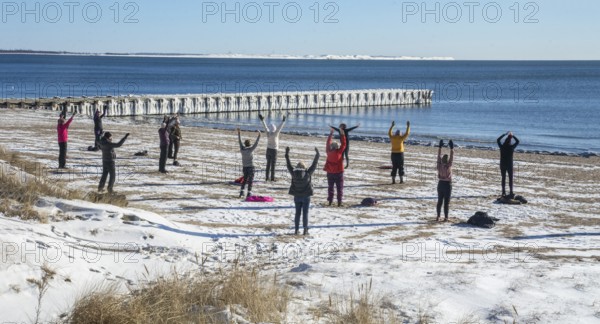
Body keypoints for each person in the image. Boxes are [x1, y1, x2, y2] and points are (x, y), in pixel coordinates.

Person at [285, 146, 320, 235]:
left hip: (297, 196)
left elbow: (288, 164)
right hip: (306, 196)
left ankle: (296, 230)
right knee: (305, 213)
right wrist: (317, 155)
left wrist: (287, 153)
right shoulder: (307, 174)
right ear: (304, 167)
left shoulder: (293, 173)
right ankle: (305, 229)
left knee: (297, 213)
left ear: (297, 167)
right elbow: (314, 164)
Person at [259, 114, 286, 181]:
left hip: (268, 150)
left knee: (268, 165)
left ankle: (266, 177)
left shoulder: (268, 133)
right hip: (274, 150)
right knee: (273, 165)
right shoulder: (276, 133)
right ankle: (272, 178)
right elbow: (280, 127)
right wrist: (283, 121)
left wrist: (262, 120)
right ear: (274, 128)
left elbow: (265, 127)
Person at [324, 127, 347, 206]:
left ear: (331, 147)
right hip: (339, 173)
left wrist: (331, 134)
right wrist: (342, 134)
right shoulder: (339, 153)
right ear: (337, 147)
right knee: (339, 188)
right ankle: (339, 202)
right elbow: (344, 144)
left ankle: (330, 201)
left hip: (330, 173)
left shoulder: (328, 152)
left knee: (330, 187)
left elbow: (327, 143)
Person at [238, 128, 261, 198]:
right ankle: (249, 192)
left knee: (244, 180)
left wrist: (239, 133)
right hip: (251, 167)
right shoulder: (251, 149)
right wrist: (259, 135)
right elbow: (256, 143)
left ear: (245, 144)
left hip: (244, 167)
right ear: (249, 144)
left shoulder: (242, 149)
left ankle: (242, 191)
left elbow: (240, 142)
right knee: (250, 180)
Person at [497, 131, 520, 198]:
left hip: (502, 164)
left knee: (503, 178)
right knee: (510, 179)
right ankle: (511, 192)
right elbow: (518, 141)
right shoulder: (511, 147)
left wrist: (504, 134)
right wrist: (513, 135)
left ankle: (503, 192)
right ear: (510, 142)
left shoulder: (502, 147)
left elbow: (498, 140)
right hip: (509, 165)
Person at [436, 139, 454, 222]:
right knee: (446, 202)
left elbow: (438, 156)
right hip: (447, 185)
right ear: (447, 161)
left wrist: (440, 147)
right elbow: (452, 157)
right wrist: (452, 148)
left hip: (440, 184)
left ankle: (438, 216)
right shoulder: (449, 165)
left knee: (440, 201)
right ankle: (446, 217)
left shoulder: (439, 165)